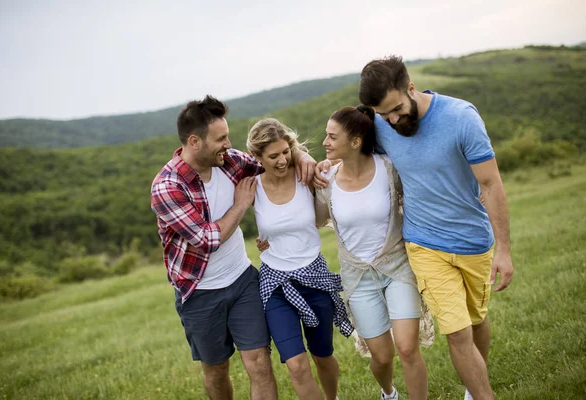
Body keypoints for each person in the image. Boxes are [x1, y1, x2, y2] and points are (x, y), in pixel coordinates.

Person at [355, 55, 514, 400]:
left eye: (397, 109)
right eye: (384, 115)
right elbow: (343, 137)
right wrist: (311, 160)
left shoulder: (461, 118)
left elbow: (491, 184)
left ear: (411, 88)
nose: (393, 120)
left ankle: (473, 389)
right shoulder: (381, 124)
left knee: (476, 322)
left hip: (473, 241)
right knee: (456, 333)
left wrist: (503, 249)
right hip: (424, 243)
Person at [150, 95, 316, 400]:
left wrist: (302, 156)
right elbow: (206, 240)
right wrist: (241, 204)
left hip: (242, 282)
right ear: (194, 141)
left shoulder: (229, 162)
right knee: (216, 370)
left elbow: (274, 160)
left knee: (259, 364)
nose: (229, 143)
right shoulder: (167, 187)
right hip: (199, 292)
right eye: (221, 138)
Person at [314, 106, 431, 400]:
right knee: (382, 357)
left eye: (331, 137)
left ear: (355, 141)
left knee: (407, 347)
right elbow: (313, 221)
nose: (325, 142)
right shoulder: (326, 180)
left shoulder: (388, 168)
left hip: (397, 269)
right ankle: (388, 393)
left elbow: (423, 190)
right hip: (358, 280)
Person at [247, 118, 353, 400]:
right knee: (296, 365)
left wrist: (303, 155)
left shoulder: (306, 175)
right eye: (273, 156)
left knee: (323, 357)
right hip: (275, 284)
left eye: (285, 151)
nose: (282, 160)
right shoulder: (250, 186)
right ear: (257, 157)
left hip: (314, 276)